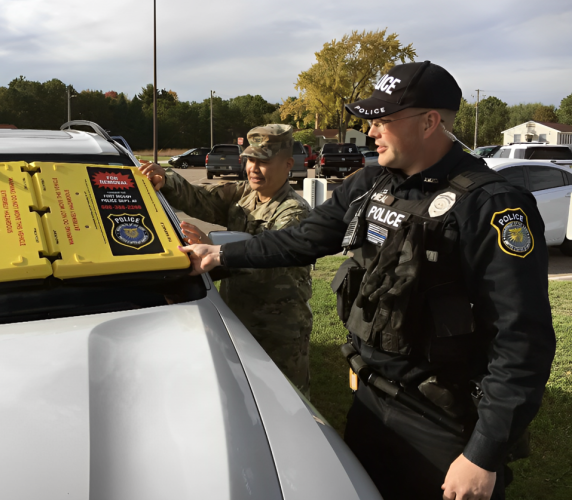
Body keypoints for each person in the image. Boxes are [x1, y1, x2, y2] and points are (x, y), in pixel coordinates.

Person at [177, 61, 556, 499]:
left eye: (383, 120)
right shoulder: (373, 181)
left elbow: (521, 339)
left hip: (441, 418)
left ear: (429, 122)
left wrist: (483, 454)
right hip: (370, 399)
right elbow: (302, 239)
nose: (371, 132)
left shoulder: (492, 205)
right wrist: (221, 254)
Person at [139, 124, 314, 395]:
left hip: (279, 330)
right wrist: (166, 178)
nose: (254, 168)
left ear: (288, 164)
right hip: (239, 317)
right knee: (245, 396)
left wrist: (216, 251)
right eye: (250, 159)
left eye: (264, 161)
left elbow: (271, 260)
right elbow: (201, 199)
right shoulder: (244, 194)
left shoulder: (294, 212)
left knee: (284, 401)